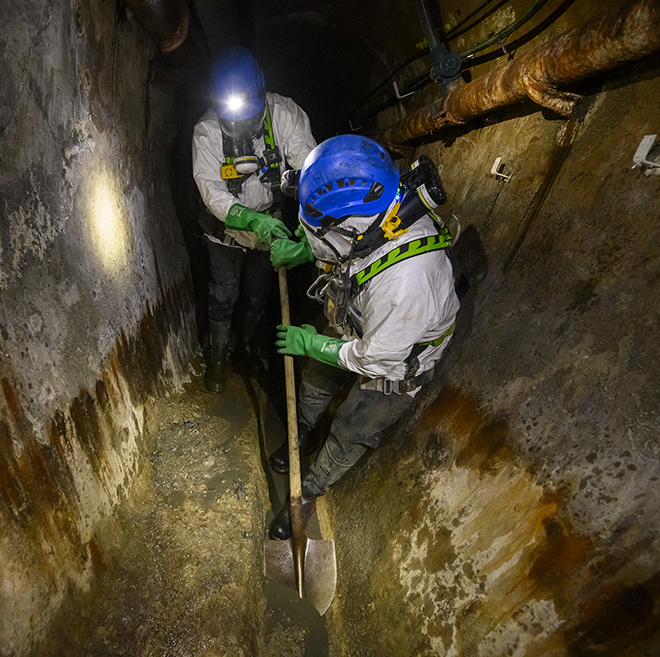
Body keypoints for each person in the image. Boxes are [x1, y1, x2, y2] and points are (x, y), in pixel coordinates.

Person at [268, 134, 460, 540]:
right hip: (359, 321)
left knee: (352, 427)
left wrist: (313, 344)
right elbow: (347, 251)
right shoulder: (377, 213)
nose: (313, 238)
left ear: (347, 225)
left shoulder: (409, 280)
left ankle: (310, 490)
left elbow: (378, 358)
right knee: (314, 381)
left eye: (315, 231)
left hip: (396, 361)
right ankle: (300, 434)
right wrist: (303, 252)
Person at [192, 46, 317, 392]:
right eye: (234, 115)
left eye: (250, 113)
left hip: (269, 225)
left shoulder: (283, 114)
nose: (243, 122)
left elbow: (312, 169)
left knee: (257, 294)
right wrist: (249, 220)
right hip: (226, 230)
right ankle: (217, 354)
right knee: (224, 292)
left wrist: (309, 224)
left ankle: (245, 348)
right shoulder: (206, 132)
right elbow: (211, 191)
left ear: (263, 92)